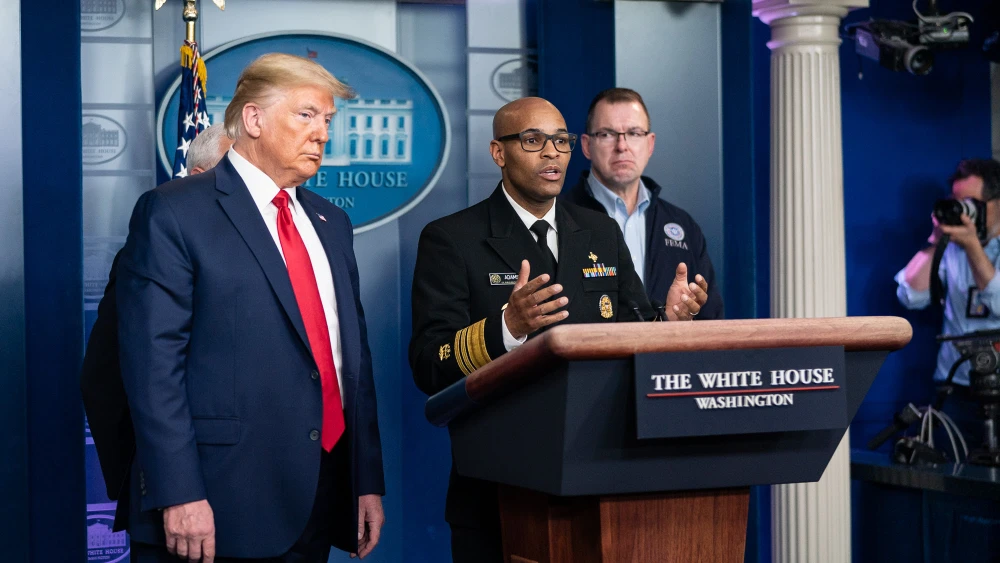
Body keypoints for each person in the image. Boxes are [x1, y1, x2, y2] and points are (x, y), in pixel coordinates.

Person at [408, 97, 709, 562]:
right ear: (498, 152)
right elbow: (430, 363)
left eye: (561, 141)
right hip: (501, 489)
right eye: (533, 140)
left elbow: (632, 329)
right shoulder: (453, 238)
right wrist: (507, 327)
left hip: (601, 478)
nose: (552, 153)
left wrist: (668, 321)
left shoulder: (599, 230)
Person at [116, 53, 385, 562]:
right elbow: (152, 366)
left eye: (328, 120)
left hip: (319, 495)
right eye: (306, 115)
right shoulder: (174, 210)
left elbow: (351, 360)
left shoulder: (331, 222)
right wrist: (178, 492)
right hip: (215, 503)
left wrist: (365, 479)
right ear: (254, 119)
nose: (322, 134)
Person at [80, 123, 234, 530]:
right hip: (184, 489)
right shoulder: (156, 250)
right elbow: (106, 376)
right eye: (234, 170)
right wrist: (147, 477)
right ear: (197, 177)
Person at [563, 88, 723, 319]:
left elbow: (711, 321)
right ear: (587, 146)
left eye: (634, 133)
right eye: (607, 134)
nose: (622, 146)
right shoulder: (558, 218)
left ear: (650, 144)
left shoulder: (684, 226)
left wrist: (678, 322)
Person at [896, 158, 1000, 446]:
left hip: (998, 384)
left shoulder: (969, 245)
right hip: (954, 387)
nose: (962, 211)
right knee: (950, 468)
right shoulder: (952, 247)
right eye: (957, 203)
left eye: (970, 203)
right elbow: (910, 296)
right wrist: (936, 238)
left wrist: (973, 247)